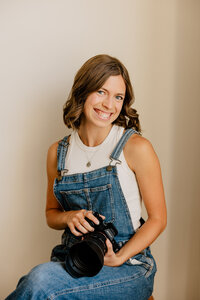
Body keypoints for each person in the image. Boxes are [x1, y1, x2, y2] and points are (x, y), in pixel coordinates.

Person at [6, 54, 167, 299]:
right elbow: (51, 214)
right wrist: (69, 216)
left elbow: (158, 219)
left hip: (128, 265)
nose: (109, 104)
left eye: (118, 97)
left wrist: (120, 256)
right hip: (75, 259)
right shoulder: (57, 153)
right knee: (36, 281)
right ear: (83, 91)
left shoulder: (136, 147)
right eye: (101, 92)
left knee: (41, 283)